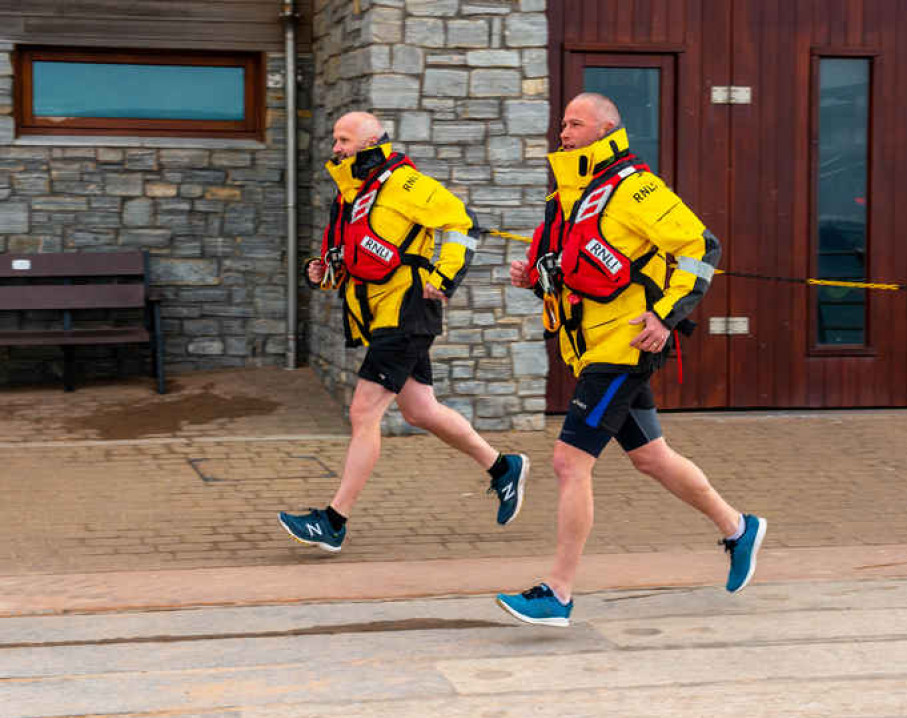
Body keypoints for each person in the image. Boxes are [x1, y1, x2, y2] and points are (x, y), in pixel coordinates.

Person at [496, 93, 766, 627]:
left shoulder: (636, 189)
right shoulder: (566, 199)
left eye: (576, 124)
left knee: (569, 462)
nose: (564, 132)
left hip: (624, 350)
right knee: (651, 458)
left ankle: (559, 592)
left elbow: (700, 247)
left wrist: (666, 317)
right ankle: (739, 528)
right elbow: (576, 274)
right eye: (563, 123)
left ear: (606, 129)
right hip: (591, 350)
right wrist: (534, 281)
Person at [279, 112, 529, 552]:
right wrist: (321, 273)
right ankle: (503, 468)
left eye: (344, 140)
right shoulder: (350, 195)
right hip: (381, 316)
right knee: (420, 410)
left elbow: (461, 222)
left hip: (407, 313)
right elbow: (351, 261)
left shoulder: (406, 185)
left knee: (363, 413)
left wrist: (445, 275)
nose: (336, 148)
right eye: (335, 140)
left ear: (372, 142)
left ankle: (334, 521)